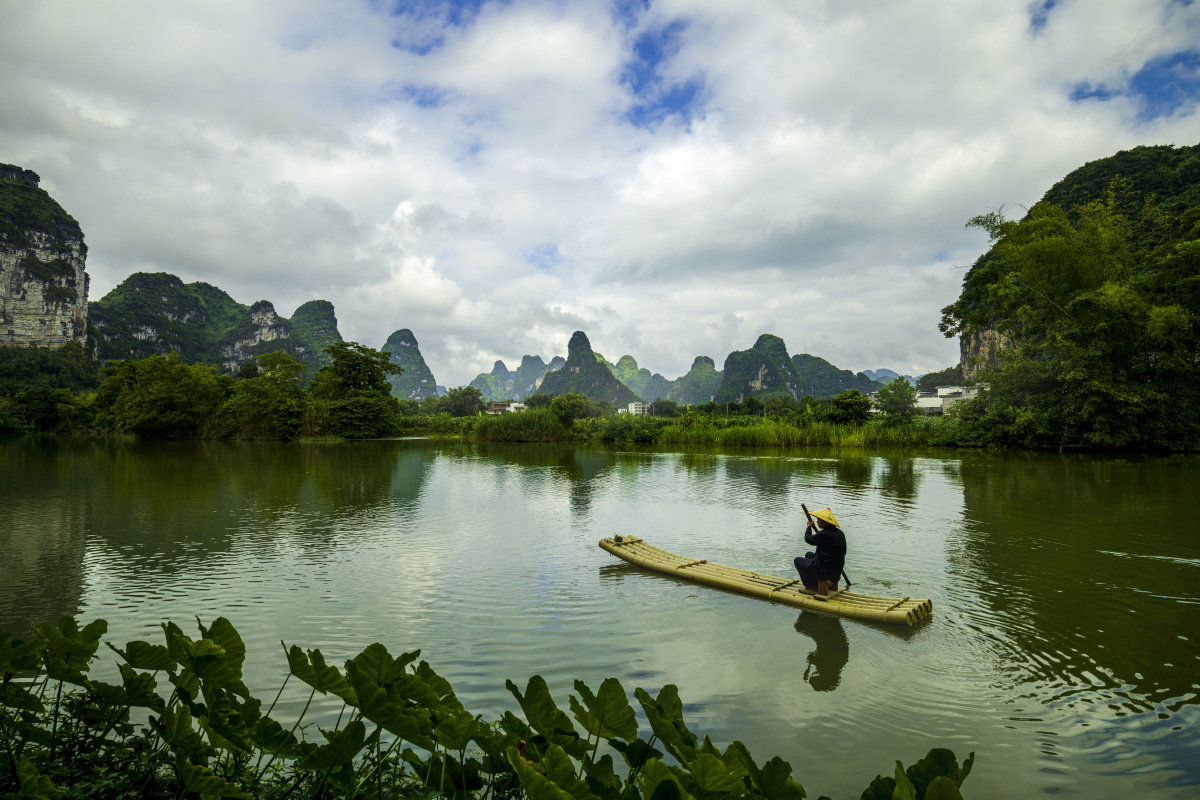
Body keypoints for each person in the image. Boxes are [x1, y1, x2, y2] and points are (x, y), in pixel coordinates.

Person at [794, 507, 846, 593]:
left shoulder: (824, 534)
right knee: (809, 554)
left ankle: (811, 587)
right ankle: (815, 581)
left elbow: (808, 539)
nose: (817, 522)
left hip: (825, 571)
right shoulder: (840, 533)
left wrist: (809, 527)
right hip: (836, 571)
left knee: (797, 561)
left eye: (819, 520)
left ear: (826, 522)